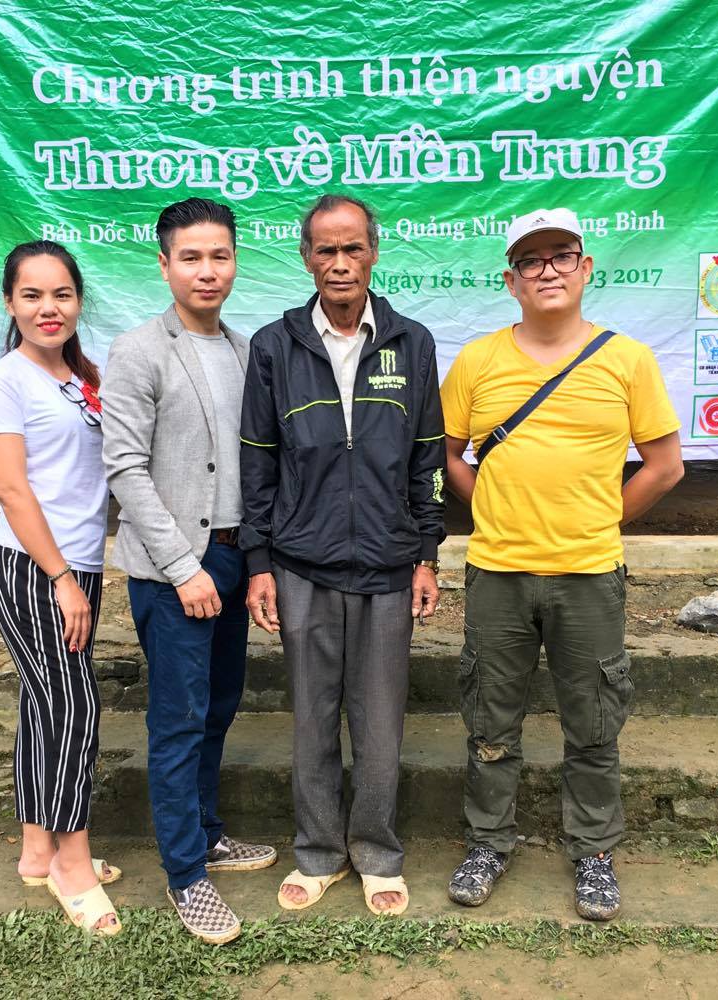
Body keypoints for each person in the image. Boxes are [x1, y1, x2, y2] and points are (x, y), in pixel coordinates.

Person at [440, 207, 684, 920]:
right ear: (511, 280)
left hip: (589, 574)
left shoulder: (627, 360)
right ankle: (487, 842)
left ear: (585, 269)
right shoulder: (477, 361)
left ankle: (594, 852)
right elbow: (448, 455)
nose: (547, 270)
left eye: (561, 256)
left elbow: (665, 466)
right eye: (531, 260)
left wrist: (601, 519)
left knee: (595, 724)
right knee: (490, 722)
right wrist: (492, 507)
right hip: (499, 573)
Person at [240, 194, 445, 917]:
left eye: (352, 247)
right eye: (325, 250)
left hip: (389, 564)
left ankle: (378, 853)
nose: (339, 263)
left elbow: (427, 458)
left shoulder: (411, 343)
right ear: (306, 258)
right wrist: (259, 562)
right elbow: (258, 462)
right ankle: (319, 852)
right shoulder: (276, 346)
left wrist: (426, 553)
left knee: (380, 720)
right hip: (302, 563)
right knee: (312, 717)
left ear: (374, 253)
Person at [100, 197, 276, 946]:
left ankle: (207, 832)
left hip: (234, 556)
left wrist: (254, 562)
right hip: (175, 569)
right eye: (192, 257)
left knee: (220, 706)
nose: (208, 271)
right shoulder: (139, 350)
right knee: (178, 720)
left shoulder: (246, 350)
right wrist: (182, 568)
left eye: (220, 256)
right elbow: (124, 468)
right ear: (165, 264)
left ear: (235, 262)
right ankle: (185, 875)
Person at [0, 240, 119, 936]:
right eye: (31, 295)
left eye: (61, 294)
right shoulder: (5, 379)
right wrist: (61, 578)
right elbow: (11, 488)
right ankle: (72, 862)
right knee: (72, 707)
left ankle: (37, 850)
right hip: (34, 568)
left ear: (78, 301)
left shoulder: (82, 376)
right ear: (10, 303)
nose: (48, 308)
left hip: (77, 565)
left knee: (44, 705)